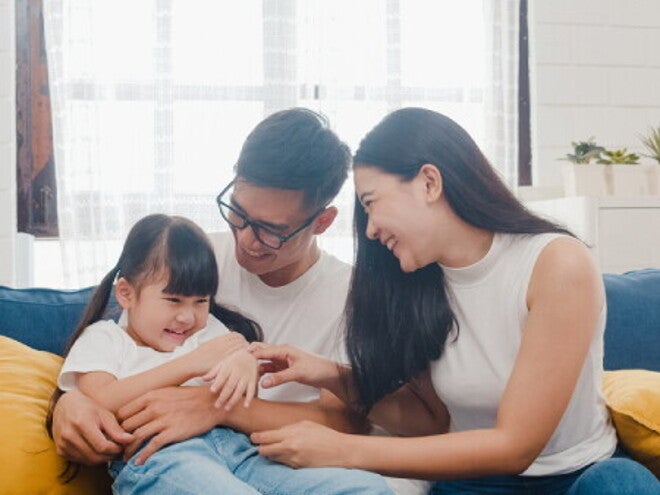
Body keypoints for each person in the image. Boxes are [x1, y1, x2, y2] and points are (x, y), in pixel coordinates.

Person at [248, 108, 660, 494]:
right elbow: (429, 423)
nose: (370, 230)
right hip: (474, 482)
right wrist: (332, 376)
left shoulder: (555, 262)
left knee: (623, 482)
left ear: (429, 182)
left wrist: (341, 449)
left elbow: (516, 445)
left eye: (371, 203)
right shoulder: (419, 283)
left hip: (576, 477)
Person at [50, 108, 424, 494]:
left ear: (322, 222)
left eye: (271, 230)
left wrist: (217, 405)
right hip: (173, 458)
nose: (246, 239)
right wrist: (69, 404)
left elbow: (346, 421)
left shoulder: (355, 298)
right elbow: (118, 347)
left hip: (267, 457)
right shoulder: (191, 260)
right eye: (239, 214)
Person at [51, 213, 393, 494]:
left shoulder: (207, 329)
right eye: (173, 300)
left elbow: (238, 358)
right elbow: (104, 401)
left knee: (362, 488)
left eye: (200, 301)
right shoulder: (105, 338)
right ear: (126, 294)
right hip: (163, 458)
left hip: (242, 452)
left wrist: (243, 362)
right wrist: (190, 365)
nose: (188, 316)